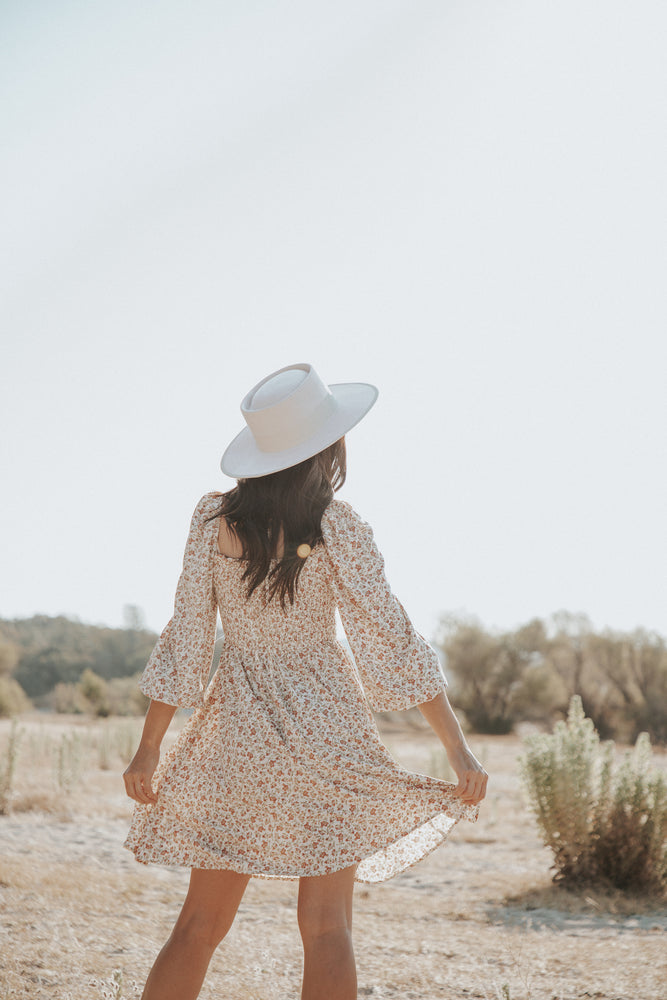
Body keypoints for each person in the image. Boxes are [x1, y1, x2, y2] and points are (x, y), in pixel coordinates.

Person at [123, 362, 488, 1000]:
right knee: (326, 928)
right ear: (328, 446)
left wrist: (151, 744)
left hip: (236, 733)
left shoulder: (212, 522)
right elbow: (390, 640)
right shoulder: (338, 525)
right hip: (329, 733)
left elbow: (186, 636)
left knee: (199, 924)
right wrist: (456, 747)